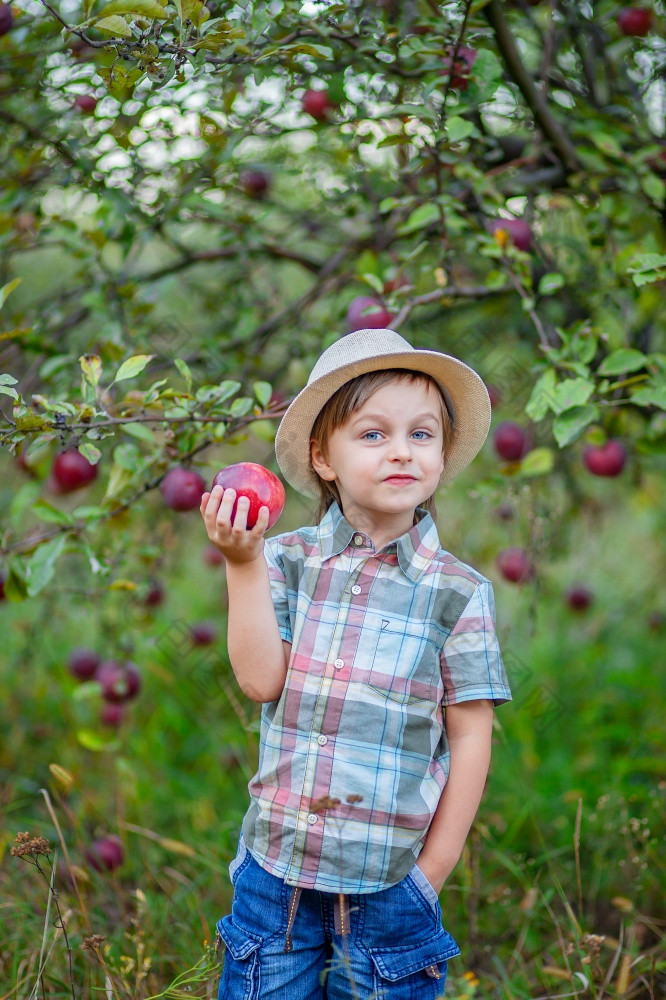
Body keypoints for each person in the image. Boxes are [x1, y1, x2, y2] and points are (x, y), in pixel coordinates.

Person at [200, 328, 512, 999]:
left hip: (391, 881)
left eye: (421, 435)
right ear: (323, 457)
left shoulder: (458, 592)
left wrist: (435, 868)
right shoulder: (284, 562)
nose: (402, 450)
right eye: (373, 434)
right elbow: (260, 680)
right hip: (275, 875)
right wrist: (241, 563)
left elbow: (470, 731)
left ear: (442, 452)